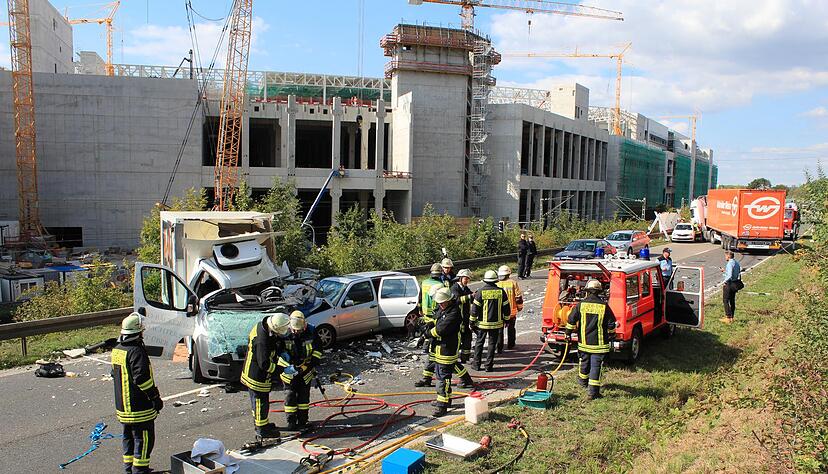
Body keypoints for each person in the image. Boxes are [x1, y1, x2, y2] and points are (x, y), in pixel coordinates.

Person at [111, 313, 164, 474]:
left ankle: (129, 469)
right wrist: (154, 397)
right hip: (139, 408)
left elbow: (114, 374)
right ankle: (140, 470)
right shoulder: (136, 352)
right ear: (138, 332)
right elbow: (142, 378)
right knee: (144, 440)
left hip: (123, 409)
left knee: (129, 438)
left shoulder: (117, 350)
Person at [564, 279, 616, 400]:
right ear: (599, 292)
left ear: (587, 291)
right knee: (596, 366)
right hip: (599, 345)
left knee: (584, 362)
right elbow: (611, 325)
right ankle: (593, 393)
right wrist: (612, 335)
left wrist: (568, 333)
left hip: (584, 343)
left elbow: (571, 319)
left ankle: (582, 382)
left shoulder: (581, 305)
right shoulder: (604, 306)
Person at [241, 312, 290, 438]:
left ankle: (263, 424)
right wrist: (282, 369)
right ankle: (262, 430)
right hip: (256, 375)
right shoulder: (261, 341)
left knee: (262, 402)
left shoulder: (265, 327)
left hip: (259, 373)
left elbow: (276, 341)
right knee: (259, 403)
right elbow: (264, 364)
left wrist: (282, 352)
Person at [277, 311, 323, 430]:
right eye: (294, 330)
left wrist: (311, 364)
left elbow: (318, 349)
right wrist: (285, 361)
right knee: (290, 396)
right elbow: (277, 350)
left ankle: (303, 421)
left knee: (303, 397)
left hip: (306, 370)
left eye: (299, 330)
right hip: (289, 370)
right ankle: (291, 422)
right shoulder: (284, 333)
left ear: (304, 325)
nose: (297, 332)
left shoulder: (311, 331)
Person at [429, 287, 465, 416]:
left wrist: (427, 333)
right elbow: (437, 319)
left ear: (449, 300)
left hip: (447, 350)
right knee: (441, 376)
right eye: (439, 302)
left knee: (442, 379)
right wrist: (427, 323)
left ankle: (442, 406)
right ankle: (447, 400)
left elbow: (440, 330)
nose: (440, 305)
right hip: (440, 349)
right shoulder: (444, 308)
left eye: (442, 302)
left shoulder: (454, 313)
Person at [471, 270, 510, 372]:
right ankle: (488, 366)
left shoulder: (480, 292)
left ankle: (476, 365)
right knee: (492, 345)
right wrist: (507, 320)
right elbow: (506, 308)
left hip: (482, 324)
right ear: (495, 280)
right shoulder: (501, 292)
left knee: (479, 343)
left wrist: (472, 322)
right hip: (496, 324)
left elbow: (474, 310)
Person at [414, 264, 443, 387]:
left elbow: (419, 297)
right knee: (435, 350)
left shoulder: (424, 282)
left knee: (433, 349)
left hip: (426, 315)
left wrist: (420, 309)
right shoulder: (441, 285)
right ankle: (427, 378)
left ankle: (427, 378)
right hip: (436, 317)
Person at [496, 264, 523, 352]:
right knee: (511, 328)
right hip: (511, 311)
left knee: (499, 330)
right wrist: (520, 307)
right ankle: (511, 345)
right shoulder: (513, 283)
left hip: (499, 311)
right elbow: (518, 297)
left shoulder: (496, 283)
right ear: (509, 273)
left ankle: (499, 347)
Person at [451, 269, 474, 363]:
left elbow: (471, 297)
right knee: (457, 339)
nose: (467, 281)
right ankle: (454, 359)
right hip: (458, 319)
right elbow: (456, 300)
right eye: (465, 278)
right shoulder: (454, 288)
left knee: (467, 337)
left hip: (465, 318)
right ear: (460, 278)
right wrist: (470, 296)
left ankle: (465, 358)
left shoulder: (465, 288)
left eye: (468, 279)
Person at [720, 250, 742, 324]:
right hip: (735, 284)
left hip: (729, 284)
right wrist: (724, 271)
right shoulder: (736, 263)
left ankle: (728, 317)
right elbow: (736, 273)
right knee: (732, 301)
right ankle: (732, 317)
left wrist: (725, 282)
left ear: (728, 256)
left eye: (725, 256)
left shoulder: (729, 263)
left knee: (725, 300)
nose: (725, 257)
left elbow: (729, 276)